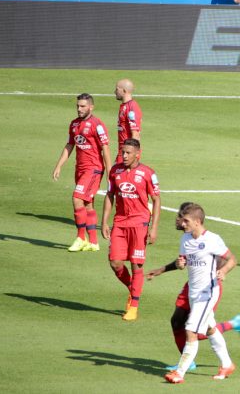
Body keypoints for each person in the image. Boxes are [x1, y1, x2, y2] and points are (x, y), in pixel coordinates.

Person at [147, 202, 240, 372]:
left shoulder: (212, 239)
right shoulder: (185, 239)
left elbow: (232, 259)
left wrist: (223, 271)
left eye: (185, 220)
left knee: (192, 330)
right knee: (200, 326)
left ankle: (180, 371)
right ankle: (227, 363)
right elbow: (184, 261)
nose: (181, 223)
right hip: (192, 289)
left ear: (197, 221)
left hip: (207, 290)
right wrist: (176, 265)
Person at [101, 138, 161, 321]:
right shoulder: (115, 171)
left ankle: (133, 306)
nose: (124, 156)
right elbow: (110, 195)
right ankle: (132, 288)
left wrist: (154, 227)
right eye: (122, 152)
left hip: (139, 223)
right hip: (120, 222)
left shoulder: (148, 173)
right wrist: (104, 221)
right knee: (115, 263)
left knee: (136, 265)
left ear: (137, 154)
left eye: (128, 153)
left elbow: (157, 200)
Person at [52, 93, 112, 252]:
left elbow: (105, 148)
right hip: (80, 168)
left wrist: (110, 172)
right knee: (87, 204)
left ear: (91, 107)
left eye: (83, 106)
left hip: (93, 169)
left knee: (77, 198)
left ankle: (80, 238)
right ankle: (93, 242)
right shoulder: (73, 124)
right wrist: (59, 166)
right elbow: (70, 145)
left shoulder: (97, 125)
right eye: (78, 106)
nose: (79, 109)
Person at [114, 79, 143, 165]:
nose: (114, 92)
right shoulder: (125, 106)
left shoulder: (131, 107)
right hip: (123, 152)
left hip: (127, 154)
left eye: (117, 89)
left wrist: (131, 156)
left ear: (124, 91)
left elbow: (135, 135)